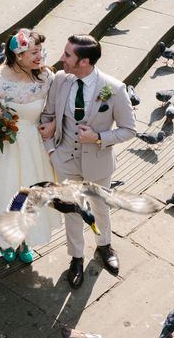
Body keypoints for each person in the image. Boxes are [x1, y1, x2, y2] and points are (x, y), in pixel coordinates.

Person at [40, 34, 135, 288]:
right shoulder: (60, 80)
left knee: (101, 208)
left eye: (68, 55)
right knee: (72, 211)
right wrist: (52, 151)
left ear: (84, 62)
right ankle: (76, 258)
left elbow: (129, 129)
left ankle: (104, 246)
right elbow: (47, 115)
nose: (62, 58)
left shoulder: (114, 89)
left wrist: (98, 137)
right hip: (65, 161)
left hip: (98, 163)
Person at [0, 29, 60, 263]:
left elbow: (59, 109)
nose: (40, 56)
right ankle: (6, 240)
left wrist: (53, 125)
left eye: (40, 51)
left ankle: (26, 239)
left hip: (34, 147)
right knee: (4, 193)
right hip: (3, 148)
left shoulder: (46, 77)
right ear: (18, 56)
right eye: (34, 52)